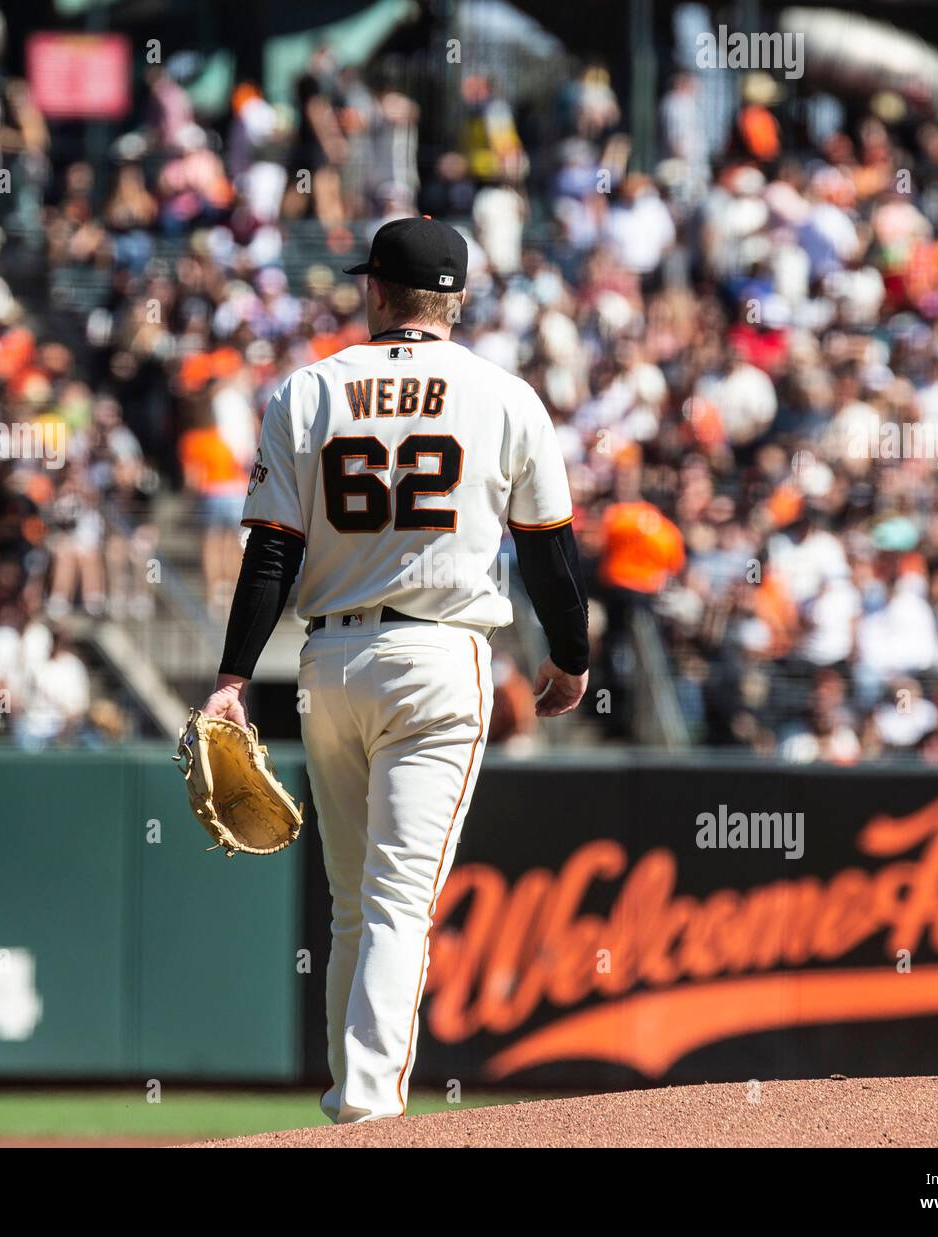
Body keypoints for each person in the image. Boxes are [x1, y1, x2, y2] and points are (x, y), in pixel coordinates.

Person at [197, 217, 589, 1122]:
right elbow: (551, 556)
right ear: (456, 300)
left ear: (375, 291)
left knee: (351, 905)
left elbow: (269, 554)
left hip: (326, 658)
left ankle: (350, 1097)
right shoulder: (503, 394)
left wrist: (231, 677)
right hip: (442, 658)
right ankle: (368, 1110)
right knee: (397, 903)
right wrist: (567, 658)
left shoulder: (310, 388)